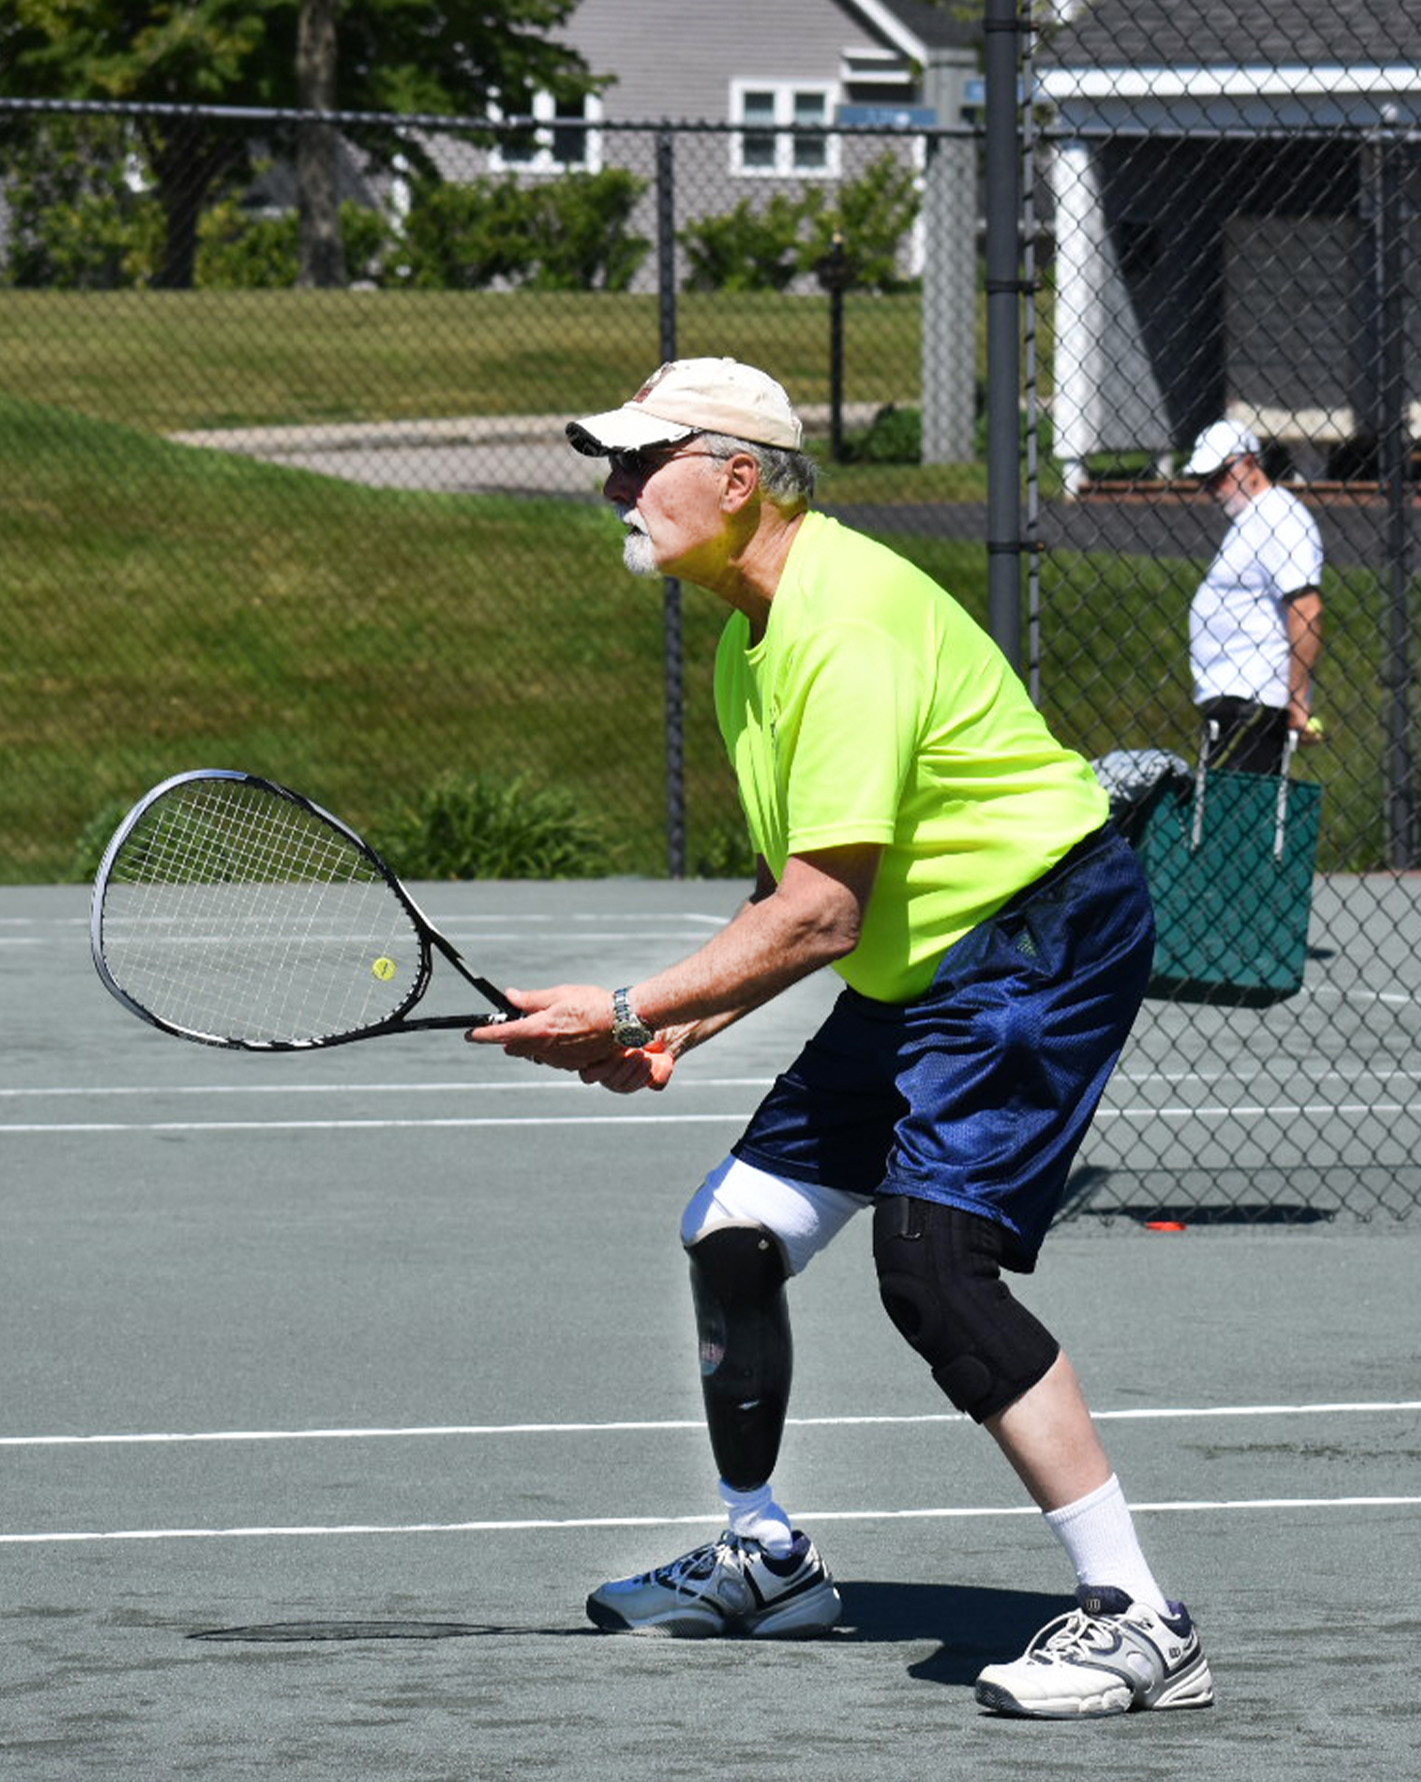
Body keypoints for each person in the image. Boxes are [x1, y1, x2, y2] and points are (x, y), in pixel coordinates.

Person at [467, 357, 1214, 1720]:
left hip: (1030, 931)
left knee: (932, 1264)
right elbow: (794, 890)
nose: (616, 490)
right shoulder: (747, 639)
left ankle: (1143, 1620)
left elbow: (821, 915)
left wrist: (634, 1006)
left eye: (642, 463)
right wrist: (683, 1028)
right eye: (611, 464)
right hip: (923, 955)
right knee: (732, 1232)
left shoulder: (841, 628)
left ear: (738, 477)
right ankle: (767, 1556)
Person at [1183, 419, 1324, 773]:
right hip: (1238, 698)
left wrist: (1296, 699)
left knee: (1229, 817)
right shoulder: (1254, 520)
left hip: (1255, 702)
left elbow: (1306, 607)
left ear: (1248, 461)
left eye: (1219, 475)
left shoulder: (1279, 515)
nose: (1213, 488)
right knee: (1224, 815)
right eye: (1206, 480)